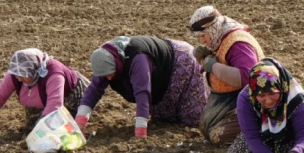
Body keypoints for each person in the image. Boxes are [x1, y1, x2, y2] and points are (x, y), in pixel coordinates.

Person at [76, 36, 208, 137]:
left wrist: (140, 132)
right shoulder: (103, 62)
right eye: (105, 76)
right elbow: (93, 91)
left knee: (193, 117)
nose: (109, 79)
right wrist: (79, 124)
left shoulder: (138, 58)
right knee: (165, 119)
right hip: (160, 77)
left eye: (111, 74)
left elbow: (143, 92)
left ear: (116, 64)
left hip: (181, 63)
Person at [0, 49, 89, 141]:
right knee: (31, 129)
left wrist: (40, 131)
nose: (19, 79)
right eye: (17, 75)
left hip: (70, 96)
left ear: (35, 71)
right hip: (41, 99)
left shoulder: (54, 74)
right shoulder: (17, 73)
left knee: (59, 131)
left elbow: (55, 104)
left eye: (23, 76)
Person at [189, 5, 265, 147]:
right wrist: (205, 58)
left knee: (219, 135)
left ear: (212, 28)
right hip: (229, 98)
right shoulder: (220, 37)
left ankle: (260, 133)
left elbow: (246, 77)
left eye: (203, 35)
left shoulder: (239, 43)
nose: (202, 41)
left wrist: (213, 66)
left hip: (249, 98)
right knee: (206, 127)